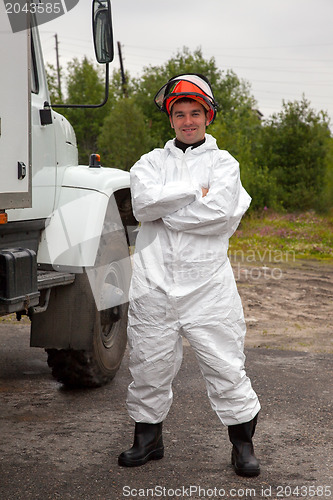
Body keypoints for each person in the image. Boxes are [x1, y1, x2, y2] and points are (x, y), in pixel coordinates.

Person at [118, 74, 261, 477]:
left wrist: (168, 207)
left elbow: (218, 216)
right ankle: (147, 439)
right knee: (148, 362)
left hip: (207, 287)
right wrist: (192, 195)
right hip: (154, 283)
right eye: (179, 114)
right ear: (171, 120)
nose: (187, 121)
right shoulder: (149, 163)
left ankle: (243, 446)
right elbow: (143, 207)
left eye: (194, 113)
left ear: (208, 116)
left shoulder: (224, 164)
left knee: (226, 365)